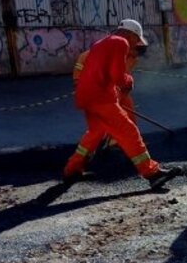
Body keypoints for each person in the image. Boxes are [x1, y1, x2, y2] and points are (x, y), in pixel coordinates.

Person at [63, 19, 180, 189]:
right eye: (136, 38)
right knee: (129, 131)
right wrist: (128, 80)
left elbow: (101, 71)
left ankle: (72, 170)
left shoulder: (100, 43)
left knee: (95, 132)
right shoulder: (121, 42)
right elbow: (117, 75)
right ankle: (152, 173)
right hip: (101, 97)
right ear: (130, 34)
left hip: (86, 96)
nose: (135, 43)